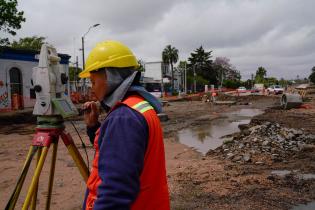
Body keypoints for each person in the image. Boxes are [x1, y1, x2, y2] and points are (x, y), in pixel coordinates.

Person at [79, 40, 170, 210]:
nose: (92, 88)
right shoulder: (139, 106)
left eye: (93, 81)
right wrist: (94, 127)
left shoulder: (123, 118)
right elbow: (118, 155)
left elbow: (115, 192)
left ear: (109, 77)